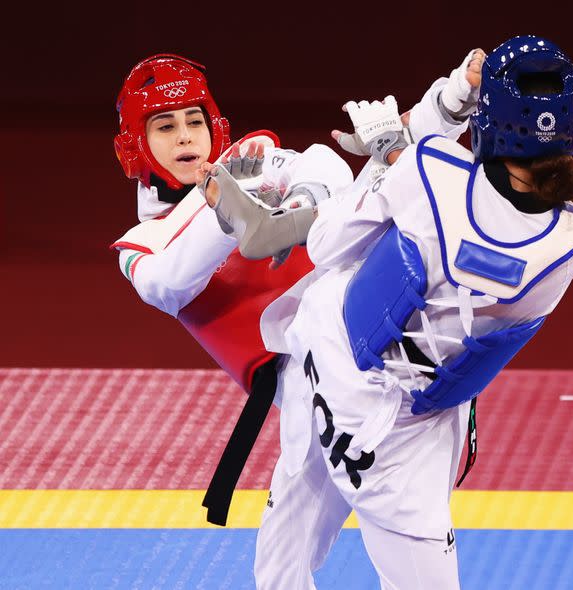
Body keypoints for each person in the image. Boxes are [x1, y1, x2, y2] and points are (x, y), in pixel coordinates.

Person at [207, 36, 573, 588]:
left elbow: (327, 246)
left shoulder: (426, 173)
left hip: (328, 359)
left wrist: (390, 155)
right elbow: (479, 214)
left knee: (289, 535)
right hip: (404, 431)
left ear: (490, 121)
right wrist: (412, 145)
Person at [111, 52, 487, 530]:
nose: (185, 135)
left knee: (377, 180)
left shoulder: (249, 158)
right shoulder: (142, 244)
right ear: (134, 146)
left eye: (193, 120)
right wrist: (228, 210)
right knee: (281, 559)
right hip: (310, 380)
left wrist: (297, 203)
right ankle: (432, 124)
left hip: (362, 334)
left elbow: (323, 163)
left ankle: (453, 100)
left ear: (215, 127)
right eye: (164, 126)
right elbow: (166, 283)